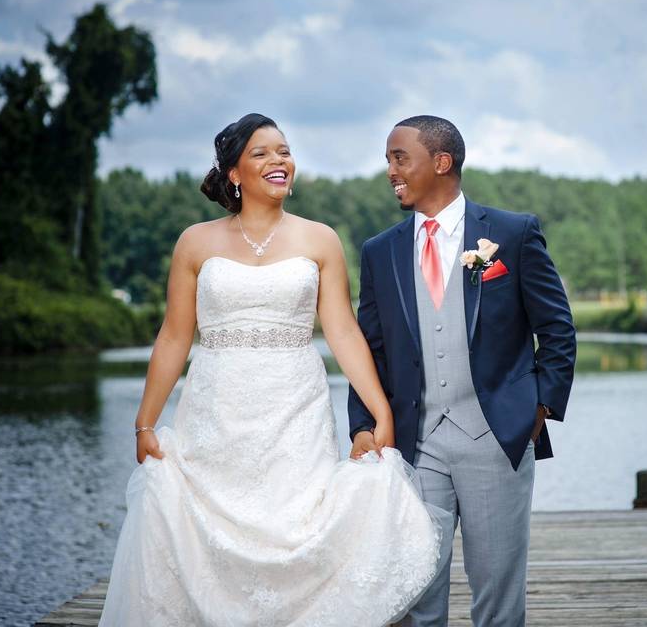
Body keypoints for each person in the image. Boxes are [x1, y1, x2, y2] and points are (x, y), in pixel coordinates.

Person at [99, 113, 445, 627]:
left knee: (298, 528)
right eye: (262, 153)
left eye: (283, 151)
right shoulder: (195, 242)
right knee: (207, 534)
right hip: (216, 410)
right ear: (234, 174)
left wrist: (379, 410)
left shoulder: (320, 239)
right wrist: (145, 422)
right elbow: (174, 335)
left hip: (295, 409)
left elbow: (343, 331)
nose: (278, 161)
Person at [348, 115, 576, 627]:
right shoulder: (379, 252)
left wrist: (538, 409)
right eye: (388, 159)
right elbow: (371, 351)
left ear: (441, 162)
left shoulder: (513, 235)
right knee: (415, 595)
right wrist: (363, 425)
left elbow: (557, 331)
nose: (390, 170)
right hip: (416, 444)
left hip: (496, 439)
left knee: (497, 599)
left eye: (399, 157)